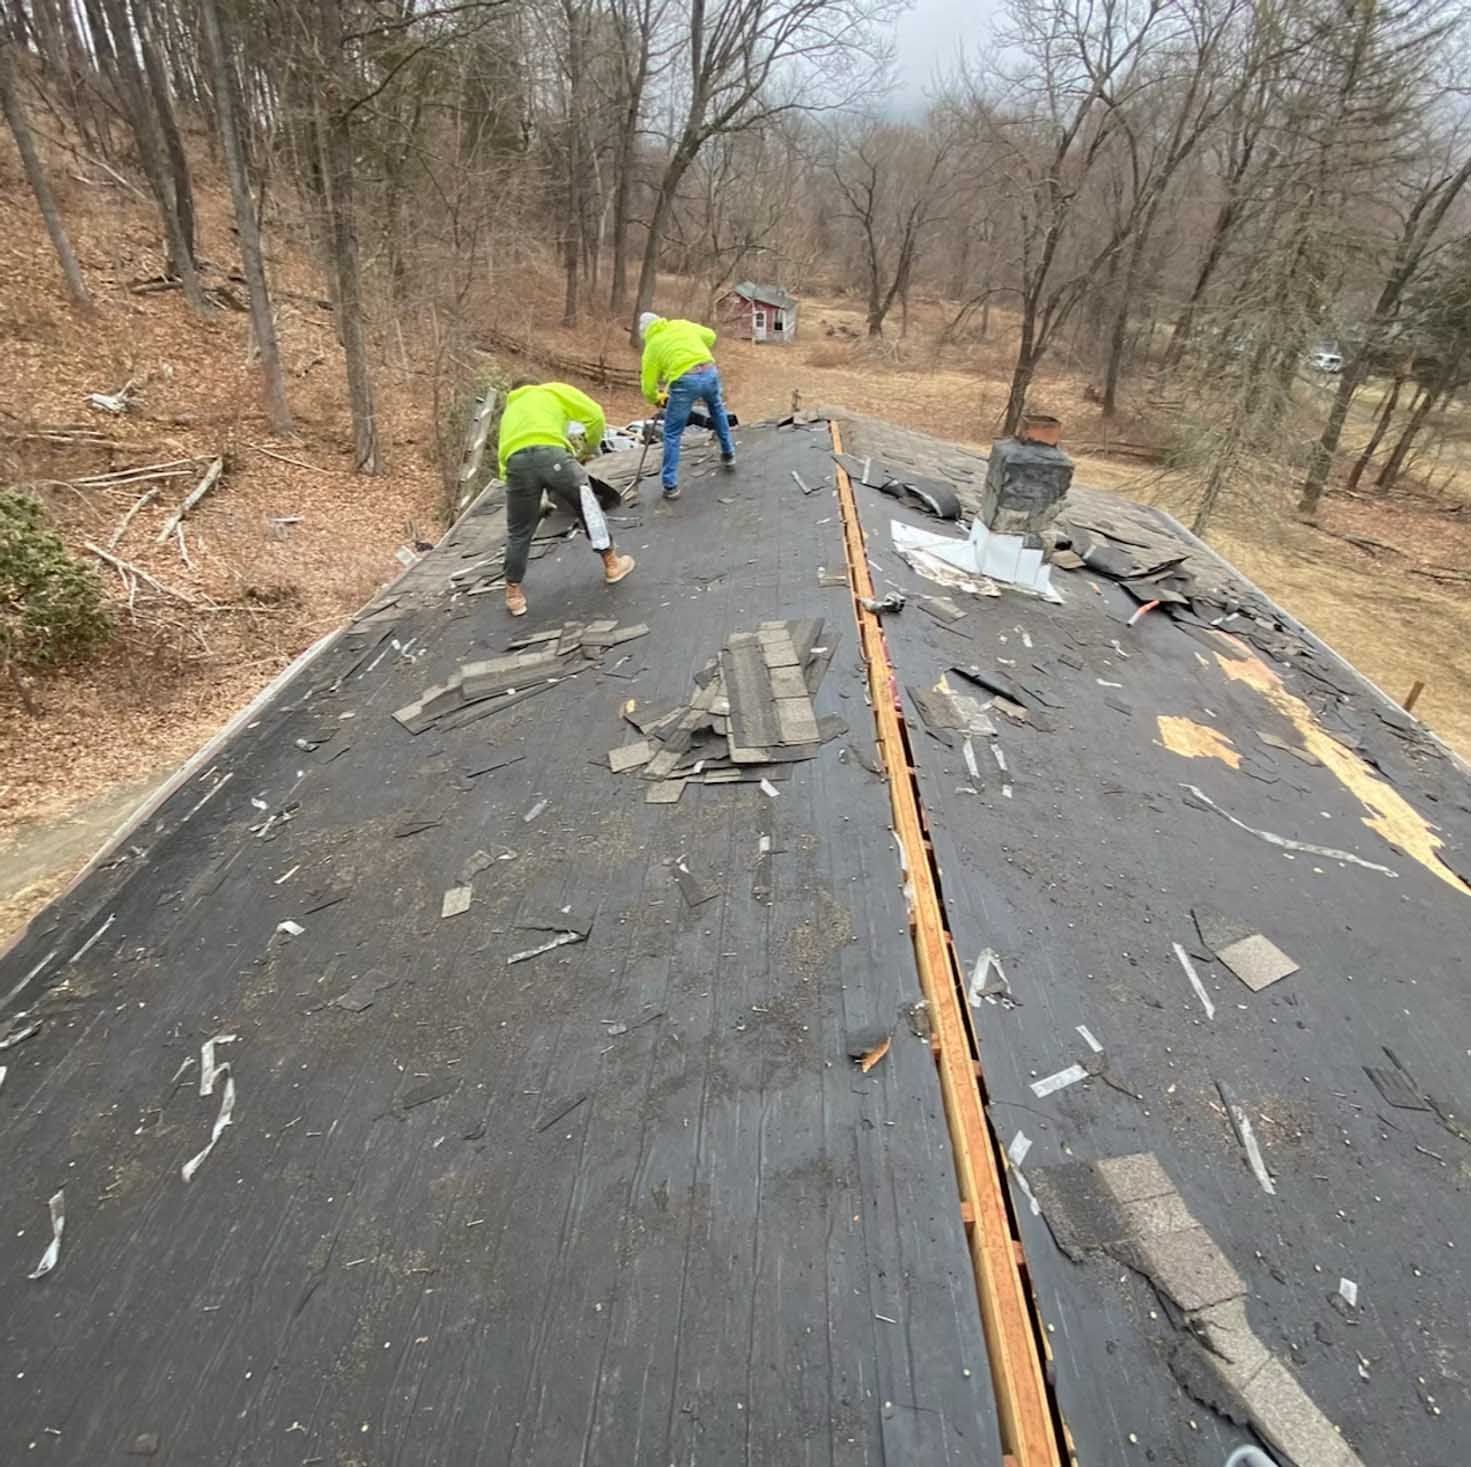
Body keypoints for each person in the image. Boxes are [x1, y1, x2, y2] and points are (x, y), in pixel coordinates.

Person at [496, 378, 635, 618]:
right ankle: (612, 565)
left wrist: (523, 492)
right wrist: (588, 449)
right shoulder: (553, 391)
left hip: (516, 465)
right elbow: (596, 416)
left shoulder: (510, 412)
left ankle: (514, 595)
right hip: (554, 456)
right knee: (588, 509)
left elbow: (502, 461)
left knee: (518, 531)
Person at [637, 313, 736, 500]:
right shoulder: (681, 325)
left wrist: (656, 398)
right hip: (709, 372)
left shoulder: (653, 347)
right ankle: (729, 454)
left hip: (684, 382)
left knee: (672, 433)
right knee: (717, 411)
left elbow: (648, 387)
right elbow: (711, 336)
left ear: (645, 333)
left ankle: (670, 485)